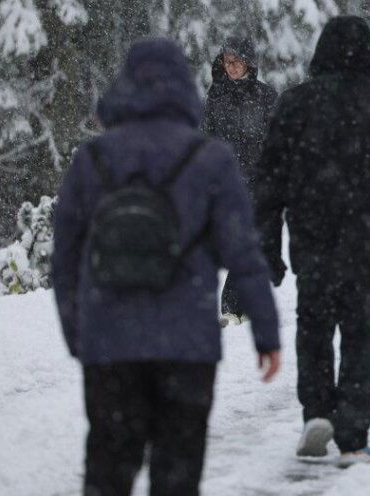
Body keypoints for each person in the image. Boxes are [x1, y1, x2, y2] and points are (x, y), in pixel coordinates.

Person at [52, 38, 281, 495]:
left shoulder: (92, 159)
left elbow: (65, 259)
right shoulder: (209, 159)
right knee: (177, 475)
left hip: (111, 342)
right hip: (187, 345)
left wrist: (78, 332)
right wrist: (267, 333)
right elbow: (243, 251)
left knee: (109, 469)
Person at [252, 16, 370, 468]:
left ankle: (316, 413)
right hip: (367, 240)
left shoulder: (294, 105)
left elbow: (268, 186)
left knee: (313, 329)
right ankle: (352, 435)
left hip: (312, 241)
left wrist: (267, 251)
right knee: (360, 334)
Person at [203, 37, 279, 327]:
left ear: (249, 62)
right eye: (226, 61)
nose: (231, 67)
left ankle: (236, 306)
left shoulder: (266, 97)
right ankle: (236, 305)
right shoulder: (216, 95)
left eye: (236, 61)